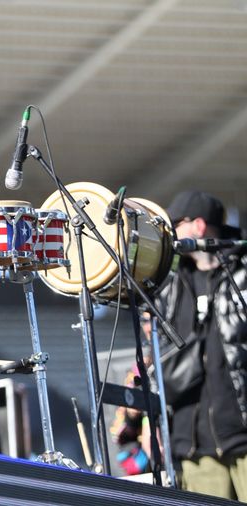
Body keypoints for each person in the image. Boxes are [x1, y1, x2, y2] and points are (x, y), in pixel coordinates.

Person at [154, 190, 247, 499]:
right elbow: (158, 355)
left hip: (242, 435)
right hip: (194, 445)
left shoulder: (242, 272)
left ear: (199, 226)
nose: (172, 234)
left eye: (176, 224)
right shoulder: (169, 285)